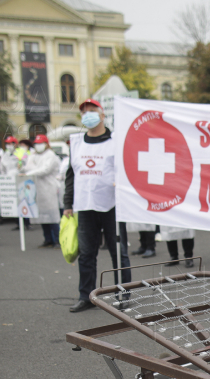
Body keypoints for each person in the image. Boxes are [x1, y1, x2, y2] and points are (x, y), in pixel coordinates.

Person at [63, 98, 130, 312]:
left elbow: (126, 169)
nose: (87, 115)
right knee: (86, 253)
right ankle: (86, 296)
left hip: (112, 205)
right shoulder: (76, 142)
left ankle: (124, 292)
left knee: (118, 251)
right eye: (84, 112)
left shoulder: (116, 140)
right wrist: (67, 204)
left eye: (92, 111)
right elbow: (71, 175)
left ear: (102, 115)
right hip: (85, 205)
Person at [22, 134, 61, 248]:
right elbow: (27, 167)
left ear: (46, 144)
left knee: (52, 216)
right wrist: (21, 163)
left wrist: (29, 173)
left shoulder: (51, 155)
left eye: (40, 143)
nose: (38, 146)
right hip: (38, 189)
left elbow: (45, 169)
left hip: (49, 188)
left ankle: (58, 240)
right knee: (43, 216)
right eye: (36, 144)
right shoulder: (34, 155)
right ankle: (48, 239)